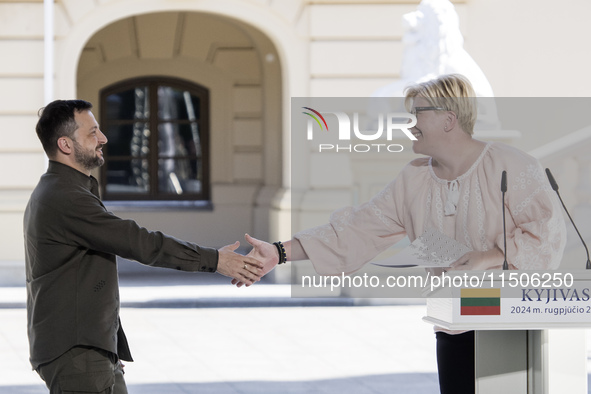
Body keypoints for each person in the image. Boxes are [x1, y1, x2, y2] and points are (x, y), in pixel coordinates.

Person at [235, 74, 567, 394]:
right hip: (454, 323)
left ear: (448, 120)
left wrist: (489, 257)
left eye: (418, 114)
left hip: (507, 322)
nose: (410, 124)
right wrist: (279, 252)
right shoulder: (415, 179)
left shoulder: (512, 165)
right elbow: (357, 228)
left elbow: (547, 233)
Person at [24, 99, 264, 394]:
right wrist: (217, 260)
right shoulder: (64, 197)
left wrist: (108, 345)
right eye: (92, 133)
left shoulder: (68, 189)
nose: (103, 139)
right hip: (77, 352)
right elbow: (140, 243)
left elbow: (83, 278)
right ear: (65, 144)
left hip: (88, 348)